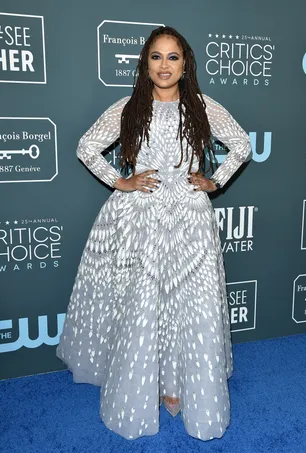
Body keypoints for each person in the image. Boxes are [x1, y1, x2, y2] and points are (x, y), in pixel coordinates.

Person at [56, 25, 251, 441]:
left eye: (173, 57)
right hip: (140, 217)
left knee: (187, 301)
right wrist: (120, 180)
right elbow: (86, 146)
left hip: (189, 217)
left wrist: (214, 180)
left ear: (185, 65)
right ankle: (149, 383)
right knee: (145, 302)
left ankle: (180, 384)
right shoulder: (129, 107)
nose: (164, 65)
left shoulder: (201, 105)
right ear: (145, 64)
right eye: (156, 57)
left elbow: (241, 144)